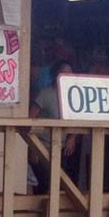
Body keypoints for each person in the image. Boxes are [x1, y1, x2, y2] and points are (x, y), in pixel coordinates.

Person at [29, 60, 78, 193]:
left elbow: (77, 118)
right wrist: (33, 148)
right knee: (44, 186)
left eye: (70, 72)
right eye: (64, 71)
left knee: (61, 186)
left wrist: (72, 137)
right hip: (43, 147)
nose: (67, 74)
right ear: (56, 74)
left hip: (63, 149)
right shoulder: (45, 94)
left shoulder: (74, 94)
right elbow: (30, 120)